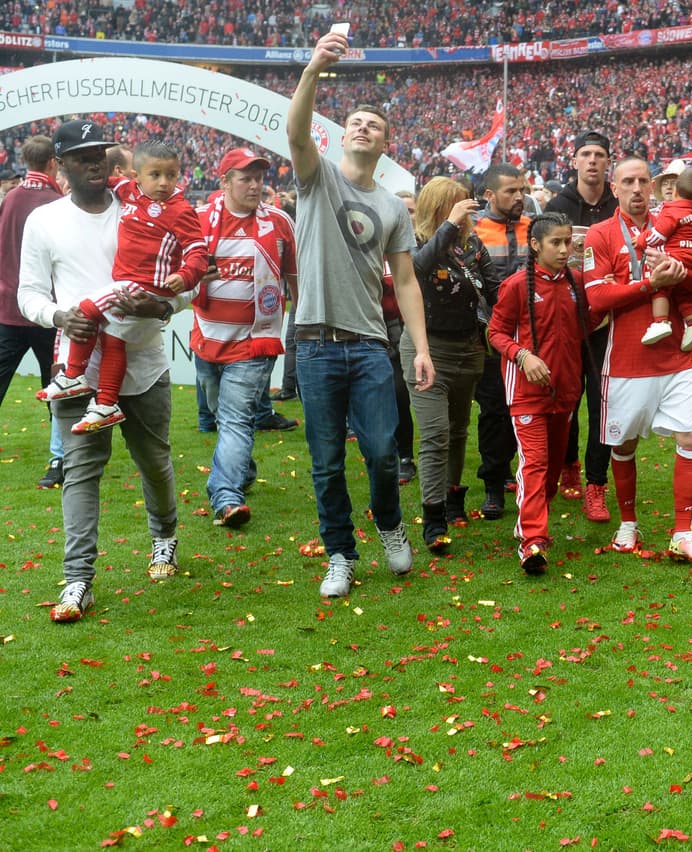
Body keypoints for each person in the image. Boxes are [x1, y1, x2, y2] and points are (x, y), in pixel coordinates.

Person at [287, 29, 434, 597]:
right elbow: (297, 131)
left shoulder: (391, 207)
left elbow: (405, 278)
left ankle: (391, 525)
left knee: (381, 453)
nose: (364, 127)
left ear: (385, 143)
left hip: (370, 344)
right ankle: (340, 554)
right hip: (316, 344)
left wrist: (419, 349)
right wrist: (312, 71)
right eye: (356, 122)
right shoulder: (316, 177)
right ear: (342, 135)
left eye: (375, 125)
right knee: (325, 462)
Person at [18, 120, 181, 620]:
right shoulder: (44, 221)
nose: (94, 163)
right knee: (80, 471)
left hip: (144, 362)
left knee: (153, 461)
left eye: (100, 154)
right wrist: (59, 316)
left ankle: (164, 536)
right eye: (81, 155)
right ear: (60, 165)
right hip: (78, 366)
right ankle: (78, 579)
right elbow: (27, 295)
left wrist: (160, 306)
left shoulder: (146, 211)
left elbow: (185, 283)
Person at [583, 155, 692, 565]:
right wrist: (648, 285)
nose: (638, 188)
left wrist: (680, 273)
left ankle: (682, 532)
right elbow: (597, 298)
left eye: (644, 180)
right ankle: (628, 522)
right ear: (615, 188)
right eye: (629, 181)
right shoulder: (600, 234)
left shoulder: (674, 225)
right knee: (622, 444)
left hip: (676, 355)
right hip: (625, 358)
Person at [39, 140, 208, 434]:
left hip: (145, 286)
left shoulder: (180, 210)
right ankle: (105, 403)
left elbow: (198, 251)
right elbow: (103, 181)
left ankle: (74, 375)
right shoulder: (128, 192)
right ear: (137, 175)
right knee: (114, 340)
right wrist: (72, 183)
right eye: (155, 175)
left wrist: (185, 276)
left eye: (171, 175)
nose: (164, 182)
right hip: (129, 282)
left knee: (85, 309)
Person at [192, 146, 298, 529]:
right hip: (206, 339)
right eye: (245, 178)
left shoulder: (279, 223)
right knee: (224, 416)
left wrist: (302, 317)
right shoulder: (199, 220)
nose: (255, 186)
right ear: (224, 182)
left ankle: (225, 496)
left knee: (236, 420)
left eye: (259, 178)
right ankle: (243, 470)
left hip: (255, 344)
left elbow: (293, 275)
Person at [488, 213, 593, 573]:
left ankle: (535, 518)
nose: (565, 250)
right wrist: (523, 355)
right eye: (556, 243)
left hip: (565, 392)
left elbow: (589, 324)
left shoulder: (577, 283)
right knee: (534, 463)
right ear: (535, 245)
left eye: (568, 242)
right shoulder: (517, 285)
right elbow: (495, 332)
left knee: (550, 472)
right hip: (528, 394)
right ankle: (532, 539)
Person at [406, 177, 499, 552]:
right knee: (435, 433)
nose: (467, 213)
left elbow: (495, 289)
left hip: (468, 346)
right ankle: (432, 518)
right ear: (439, 207)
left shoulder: (473, 244)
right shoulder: (413, 240)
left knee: (459, 429)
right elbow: (416, 269)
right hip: (425, 347)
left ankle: (452, 498)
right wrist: (448, 227)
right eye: (458, 206)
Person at [546, 131, 618, 523]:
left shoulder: (617, 206)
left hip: (607, 320)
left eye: (599, 155)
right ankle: (568, 462)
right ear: (574, 161)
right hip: (565, 319)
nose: (592, 161)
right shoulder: (557, 205)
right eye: (586, 154)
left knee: (602, 402)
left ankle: (595, 483)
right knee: (565, 400)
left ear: (609, 162)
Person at [0, 135, 63, 486]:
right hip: (45, 311)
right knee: (55, 383)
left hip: (8, 307)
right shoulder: (56, 202)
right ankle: (59, 458)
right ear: (53, 162)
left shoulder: (10, 199)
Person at [473, 163, 530, 520]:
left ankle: (518, 474)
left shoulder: (534, 228)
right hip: (488, 335)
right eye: (512, 191)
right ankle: (493, 484)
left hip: (530, 336)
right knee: (494, 411)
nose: (520, 197)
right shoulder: (473, 230)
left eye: (522, 190)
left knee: (525, 410)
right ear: (490, 195)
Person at [638, 167, 692, 350]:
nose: (669, 187)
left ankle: (660, 322)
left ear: (677, 190)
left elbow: (657, 237)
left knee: (660, 286)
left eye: (672, 183)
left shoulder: (672, 211)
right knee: (682, 292)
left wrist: (640, 239)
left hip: (674, 257)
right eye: (665, 183)